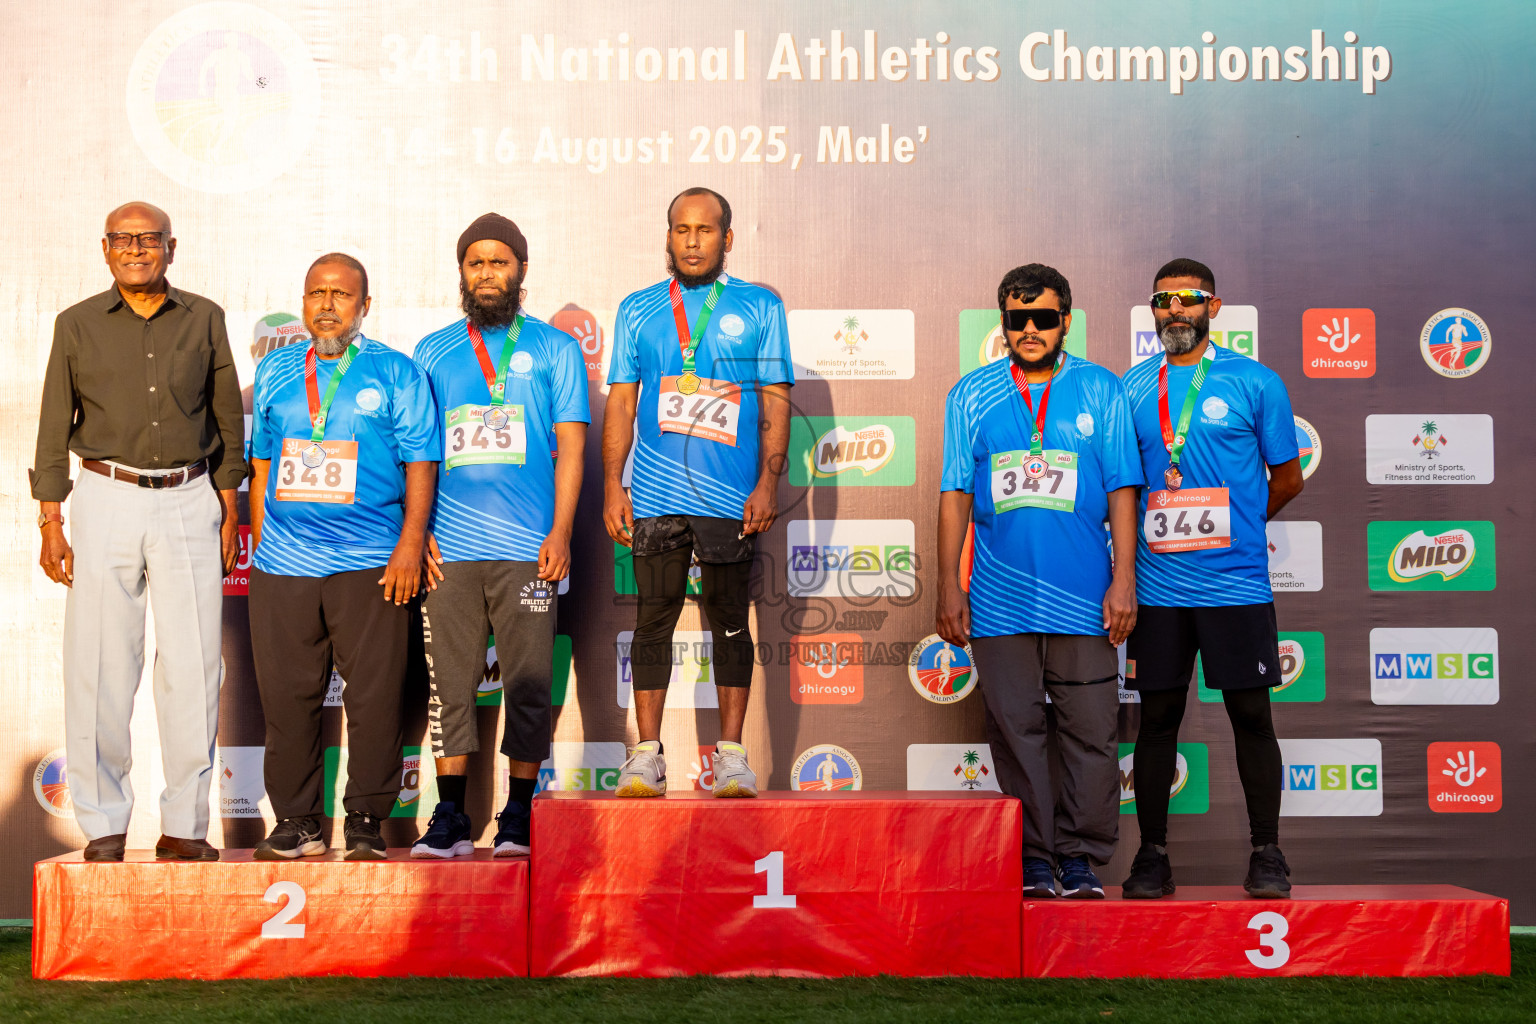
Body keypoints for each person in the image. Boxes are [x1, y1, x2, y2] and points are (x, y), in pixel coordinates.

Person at [32, 202, 244, 863]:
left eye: (147, 239)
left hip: (189, 498)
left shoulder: (205, 317)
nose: (135, 249)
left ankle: (185, 826)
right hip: (104, 496)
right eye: (122, 240)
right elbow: (49, 423)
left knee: (195, 667)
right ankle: (102, 826)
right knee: (99, 666)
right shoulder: (76, 325)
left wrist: (230, 501)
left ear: (169, 248)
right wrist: (50, 518)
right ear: (104, 249)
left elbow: (227, 413)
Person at [938, 263, 1141, 899]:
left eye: (1043, 318)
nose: (1029, 330)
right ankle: (1033, 858)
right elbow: (954, 493)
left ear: (1065, 322)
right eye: (1016, 319)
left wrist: (1125, 580)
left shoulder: (1102, 390)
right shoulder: (970, 394)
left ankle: (1080, 859)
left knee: (1090, 732)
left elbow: (1123, 491)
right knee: (1016, 732)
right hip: (998, 602)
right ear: (1002, 323)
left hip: (1085, 599)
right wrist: (949, 582)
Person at [1119, 257, 1303, 899]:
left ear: (1213, 307)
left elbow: (1287, 476)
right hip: (1159, 588)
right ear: (1153, 311)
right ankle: (1151, 858)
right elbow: (1123, 486)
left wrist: (1240, 522)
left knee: (1251, 715)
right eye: (1163, 301)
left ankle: (1268, 853)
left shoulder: (1255, 382)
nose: (1176, 310)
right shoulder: (1132, 388)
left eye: (1188, 299)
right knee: (1158, 719)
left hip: (1236, 585)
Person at [247, 254, 440, 861]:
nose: (327, 305)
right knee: (287, 698)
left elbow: (421, 463)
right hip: (284, 563)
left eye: (341, 295)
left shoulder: (398, 372)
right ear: (303, 303)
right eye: (316, 294)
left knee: (376, 698)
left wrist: (410, 545)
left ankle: (364, 820)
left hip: (370, 560)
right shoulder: (276, 370)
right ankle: (299, 822)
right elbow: (260, 465)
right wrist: (262, 545)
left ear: (365, 306)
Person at [601, 187, 792, 797]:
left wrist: (768, 479)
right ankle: (647, 757)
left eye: (705, 230)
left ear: (727, 239)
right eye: (680, 229)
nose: (691, 240)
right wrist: (613, 482)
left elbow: (778, 398)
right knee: (653, 622)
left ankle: (731, 757)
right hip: (656, 497)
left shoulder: (760, 306)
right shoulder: (638, 309)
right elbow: (624, 401)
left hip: (730, 499)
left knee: (730, 623)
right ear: (667, 237)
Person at [409, 214, 589, 857]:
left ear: (522, 270)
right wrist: (417, 531)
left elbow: (571, 448)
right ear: (462, 272)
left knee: (529, 683)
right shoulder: (431, 351)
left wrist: (562, 530)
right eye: (475, 262)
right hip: (448, 550)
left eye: (500, 262)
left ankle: (518, 813)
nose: (487, 274)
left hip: (529, 548)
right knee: (450, 686)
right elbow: (417, 451)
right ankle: (451, 815)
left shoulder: (556, 349)